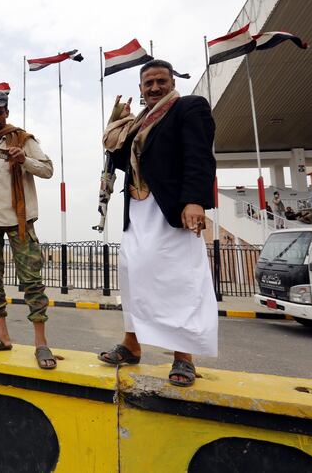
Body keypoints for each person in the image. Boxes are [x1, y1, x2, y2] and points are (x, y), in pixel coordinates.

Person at [98, 59, 218, 387]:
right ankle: (131, 344)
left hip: (172, 207)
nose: (154, 88)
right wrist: (117, 125)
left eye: (160, 81)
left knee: (179, 279)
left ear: (171, 82)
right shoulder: (137, 123)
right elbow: (123, 162)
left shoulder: (188, 108)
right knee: (132, 274)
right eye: (148, 83)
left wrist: (195, 200)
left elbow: (199, 154)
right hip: (138, 209)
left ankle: (184, 357)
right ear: (140, 89)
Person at [0, 90, 57, 369]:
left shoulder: (24, 140)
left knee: (31, 279)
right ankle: (1, 336)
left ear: (6, 112)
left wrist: (23, 160)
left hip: (19, 220)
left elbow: (48, 170)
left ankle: (41, 343)